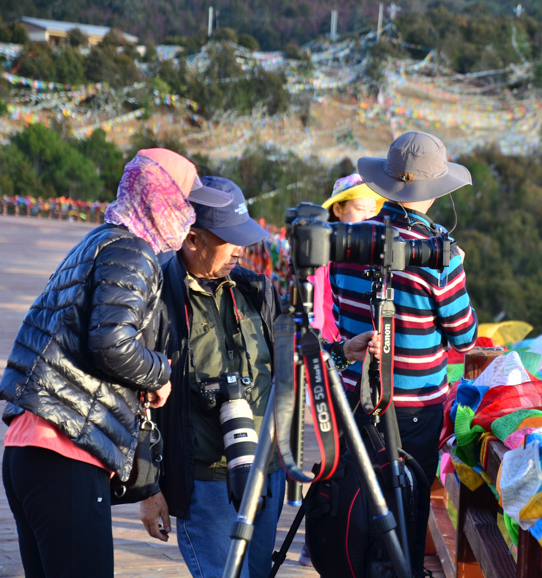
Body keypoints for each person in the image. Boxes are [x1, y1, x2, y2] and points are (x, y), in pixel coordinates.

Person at [0, 149, 233, 577]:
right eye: (185, 201)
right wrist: (159, 372)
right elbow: (110, 343)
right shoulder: (133, 251)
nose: (188, 214)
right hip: (66, 451)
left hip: (28, 448)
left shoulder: (98, 240)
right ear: (161, 198)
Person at [139, 176, 378, 578]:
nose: (240, 249)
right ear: (192, 239)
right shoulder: (158, 298)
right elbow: (134, 399)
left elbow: (293, 351)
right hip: (204, 478)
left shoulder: (255, 289)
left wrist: (342, 351)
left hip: (268, 469)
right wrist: (149, 489)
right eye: (230, 239)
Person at [331, 131, 479, 575]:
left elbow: (341, 313)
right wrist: (457, 270)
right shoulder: (437, 253)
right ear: (436, 190)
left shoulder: (346, 240)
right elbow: (464, 337)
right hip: (415, 407)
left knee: (356, 504)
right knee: (407, 507)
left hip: (354, 396)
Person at [310, 173, 385, 344]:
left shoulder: (376, 253)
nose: (368, 218)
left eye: (372, 211)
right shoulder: (322, 252)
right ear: (337, 209)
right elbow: (314, 314)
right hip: (333, 349)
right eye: (360, 209)